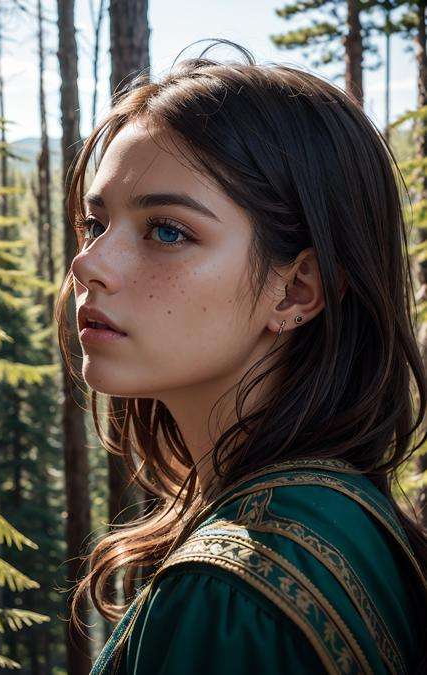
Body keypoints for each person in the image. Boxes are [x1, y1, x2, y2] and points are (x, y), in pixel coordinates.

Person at [55, 38, 427, 674]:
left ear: (297, 288)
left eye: (168, 231)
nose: (89, 264)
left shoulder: (232, 592)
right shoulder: (354, 516)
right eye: (96, 225)